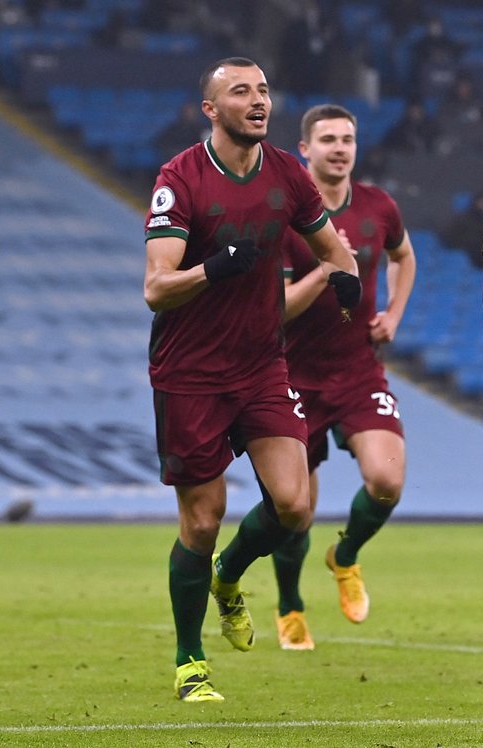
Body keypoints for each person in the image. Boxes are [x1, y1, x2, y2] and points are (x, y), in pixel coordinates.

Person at [143, 57, 361, 703]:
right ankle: (190, 662)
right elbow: (157, 289)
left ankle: (229, 577)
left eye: (264, 89)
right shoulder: (179, 179)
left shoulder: (288, 176)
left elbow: (331, 245)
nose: (258, 100)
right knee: (202, 520)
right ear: (211, 110)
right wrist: (215, 268)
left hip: (263, 364)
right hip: (189, 373)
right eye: (241, 91)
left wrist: (342, 274)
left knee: (295, 506)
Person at [268, 103, 417, 650]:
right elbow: (276, 309)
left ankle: (345, 556)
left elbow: (405, 256)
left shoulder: (379, 207)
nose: (339, 148)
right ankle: (289, 606)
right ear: (304, 149)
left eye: (347, 139)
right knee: (296, 512)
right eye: (327, 139)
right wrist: (331, 269)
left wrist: (395, 315)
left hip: (359, 373)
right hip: (293, 379)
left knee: (387, 479)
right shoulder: (286, 218)